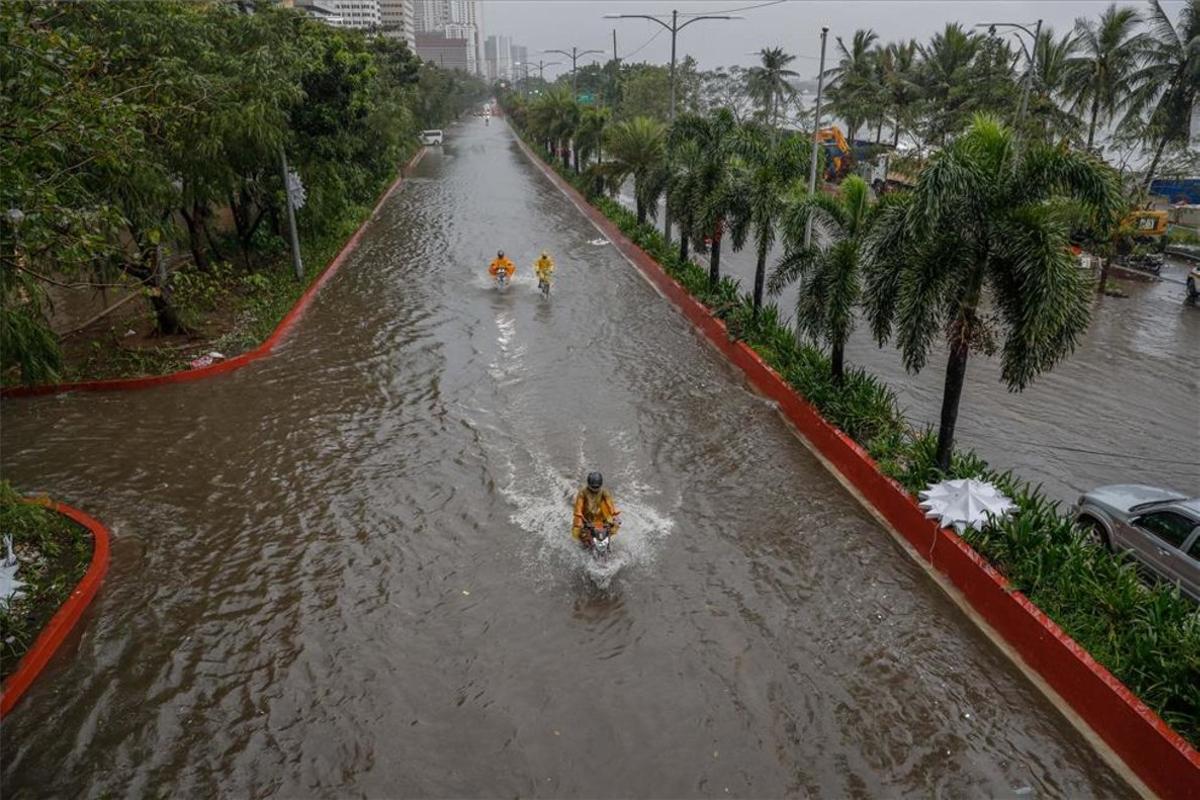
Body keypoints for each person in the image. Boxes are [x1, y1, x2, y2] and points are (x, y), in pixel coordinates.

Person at [572, 471, 620, 548]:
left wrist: (615, 516)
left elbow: (610, 504)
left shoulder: (604, 492)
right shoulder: (582, 492)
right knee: (578, 533)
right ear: (589, 485)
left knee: (613, 528)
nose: (595, 489)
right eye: (593, 487)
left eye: (597, 487)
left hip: (601, 519)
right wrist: (579, 521)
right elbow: (578, 507)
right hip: (586, 518)